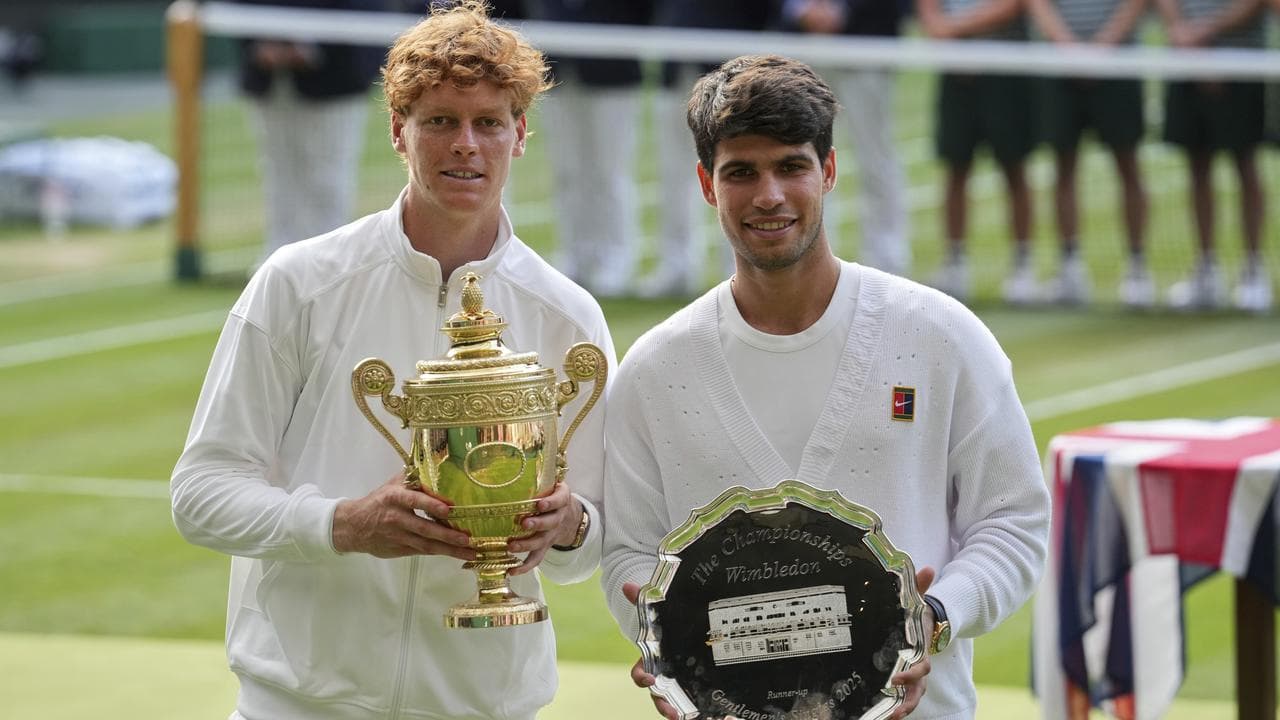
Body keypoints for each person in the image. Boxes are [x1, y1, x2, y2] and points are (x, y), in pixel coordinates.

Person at [171, 3, 614, 718]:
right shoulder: (299, 282)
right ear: (397, 133)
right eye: (439, 120)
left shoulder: (568, 314)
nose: (465, 144)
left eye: (488, 122)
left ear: (520, 135)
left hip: (483, 703)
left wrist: (568, 527)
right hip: (299, 702)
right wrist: (342, 524)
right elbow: (201, 493)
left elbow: (589, 539)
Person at [600, 54, 1050, 719]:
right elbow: (628, 553)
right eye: (741, 173)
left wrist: (932, 619)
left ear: (829, 171)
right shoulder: (656, 368)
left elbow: (1014, 520)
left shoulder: (939, 335)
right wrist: (667, 644)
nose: (770, 196)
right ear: (705, 183)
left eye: (791, 166)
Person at [233, 0, 387, 266]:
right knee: (278, 174)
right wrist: (259, 42)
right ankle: (278, 260)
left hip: (336, 76)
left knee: (328, 177)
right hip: (270, 79)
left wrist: (311, 46)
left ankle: (326, 263)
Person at [639, 0, 773, 298]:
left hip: (733, 70)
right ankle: (678, 266)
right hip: (675, 64)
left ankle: (739, 269)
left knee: (739, 171)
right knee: (674, 171)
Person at [1026, 0, 1153, 307]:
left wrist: (1103, 47)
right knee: (1064, 167)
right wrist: (1068, 47)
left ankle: (1137, 268)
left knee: (1128, 165)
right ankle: (1070, 268)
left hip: (1117, 61)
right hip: (1062, 64)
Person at [777, 0, 912, 279]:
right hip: (803, 51)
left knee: (875, 156)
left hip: (865, 45)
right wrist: (801, 10)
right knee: (802, 157)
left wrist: (841, 12)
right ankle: (810, 256)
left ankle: (886, 258)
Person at [916, 0, 1040, 304]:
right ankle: (955, 263)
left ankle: (1023, 266)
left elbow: (1011, 6)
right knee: (956, 167)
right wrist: (940, 30)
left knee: (1014, 168)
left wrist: (954, 29)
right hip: (957, 75)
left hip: (1004, 71)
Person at [1156, 0, 1271, 312]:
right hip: (1186, 60)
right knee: (1197, 167)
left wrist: (1206, 32)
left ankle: (1253, 271)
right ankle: (1206, 269)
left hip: (1240, 61)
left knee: (1244, 163)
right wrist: (1184, 35)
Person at [532, 0, 653, 298]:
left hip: (612, 70)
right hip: (556, 69)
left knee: (608, 172)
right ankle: (574, 255)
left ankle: (617, 258)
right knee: (566, 172)